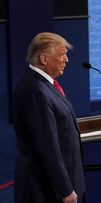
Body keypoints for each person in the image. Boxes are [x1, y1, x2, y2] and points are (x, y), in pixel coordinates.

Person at [12, 32, 86, 202]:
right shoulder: (36, 91)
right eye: (62, 55)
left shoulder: (45, 84)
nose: (66, 60)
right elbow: (47, 147)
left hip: (55, 184)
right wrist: (65, 190)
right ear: (44, 59)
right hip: (45, 190)